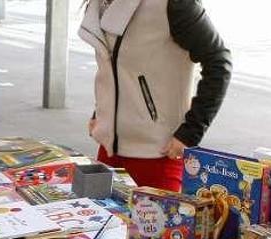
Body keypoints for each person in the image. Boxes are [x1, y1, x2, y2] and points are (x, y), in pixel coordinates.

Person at [79, 0, 232, 191]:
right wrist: (100, 111)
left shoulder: (172, 5)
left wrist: (190, 132)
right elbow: (117, 68)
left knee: (161, 221)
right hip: (109, 150)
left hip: (160, 156)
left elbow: (218, 61)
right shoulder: (100, 4)